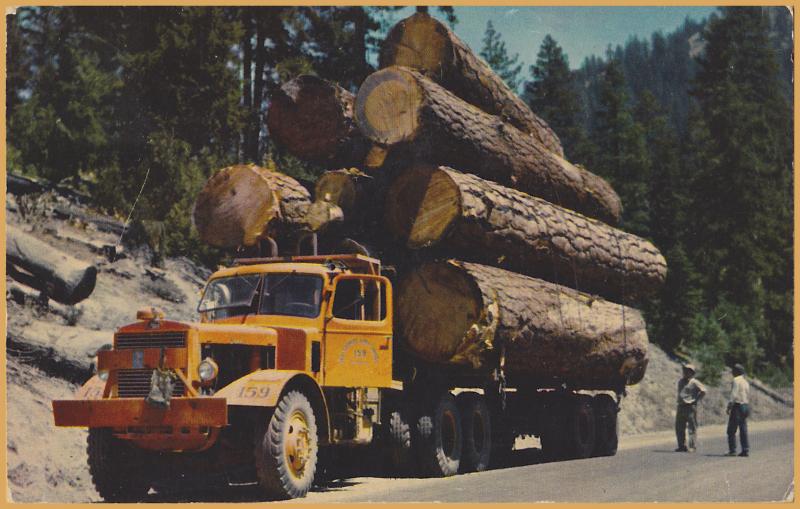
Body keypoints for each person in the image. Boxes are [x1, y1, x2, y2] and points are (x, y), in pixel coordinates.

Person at [675, 363, 707, 452]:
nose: (685, 372)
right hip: (681, 406)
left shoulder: (694, 382)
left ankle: (692, 446)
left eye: (688, 371)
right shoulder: (681, 381)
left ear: (692, 373)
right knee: (679, 427)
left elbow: (704, 391)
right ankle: (681, 446)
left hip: (690, 407)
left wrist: (696, 399)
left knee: (692, 427)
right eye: (684, 370)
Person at [726, 363, 751, 457]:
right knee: (743, 428)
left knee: (731, 430)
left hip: (737, 405)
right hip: (745, 405)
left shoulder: (736, 380)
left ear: (736, 371)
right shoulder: (745, 381)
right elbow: (748, 394)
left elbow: (734, 394)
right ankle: (745, 449)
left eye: (733, 371)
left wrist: (729, 406)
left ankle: (732, 450)